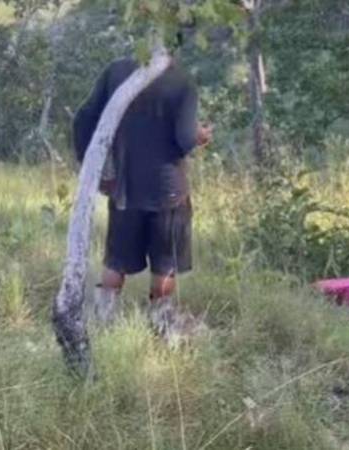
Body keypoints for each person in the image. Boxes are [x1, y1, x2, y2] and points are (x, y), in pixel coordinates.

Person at [73, 49, 212, 342]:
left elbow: (83, 118)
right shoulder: (181, 80)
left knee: (116, 261)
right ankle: (163, 327)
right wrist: (200, 135)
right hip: (168, 191)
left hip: (123, 187)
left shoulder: (117, 71)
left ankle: (102, 323)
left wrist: (92, 168)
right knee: (165, 263)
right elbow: (184, 139)